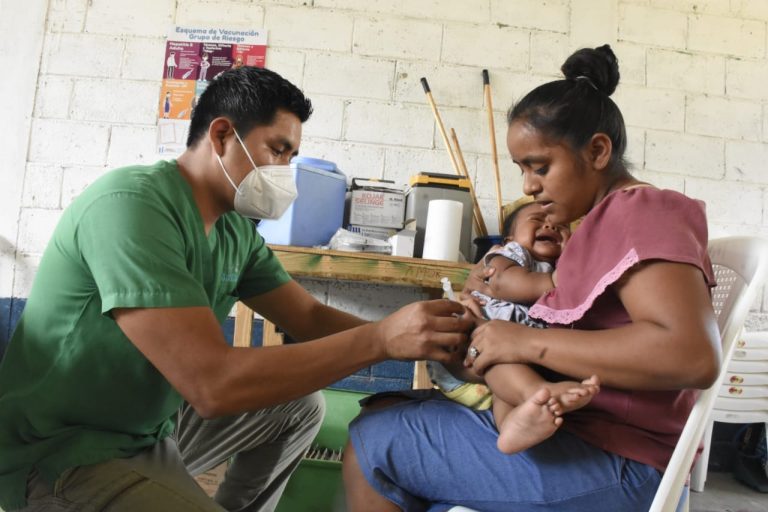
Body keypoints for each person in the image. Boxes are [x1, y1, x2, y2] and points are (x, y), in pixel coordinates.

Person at [0, 66, 473, 512]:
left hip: (149, 431)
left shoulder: (233, 233)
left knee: (298, 408)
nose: (285, 171)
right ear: (223, 135)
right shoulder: (131, 206)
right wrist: (382, 339)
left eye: (291, 156)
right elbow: (213, 385)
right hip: (62, 449)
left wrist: (423, 342)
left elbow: (309, 318)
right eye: (278, 151)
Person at [342, 44, 721, 511]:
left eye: (540, 167)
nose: (528, 186)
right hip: (584, 432)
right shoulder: (593, 228)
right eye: (522, 170)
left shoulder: (641, 211)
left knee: (372, 441)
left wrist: (525, 343)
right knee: (387, 408)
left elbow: (691, 355)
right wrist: (482, 339)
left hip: (624, 461)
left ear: (597, 151)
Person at [429, 199, 599, 455]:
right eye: (537, 220)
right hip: (473, 346)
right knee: (498, 357)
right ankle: (537, 392)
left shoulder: (561, 266)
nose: (551, 225)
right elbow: (505, 283)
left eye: (562, 226)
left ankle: (511, 426)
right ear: (510, 238)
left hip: (510, 362)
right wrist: (558, 281)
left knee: (506, 385)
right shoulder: (507, 255)